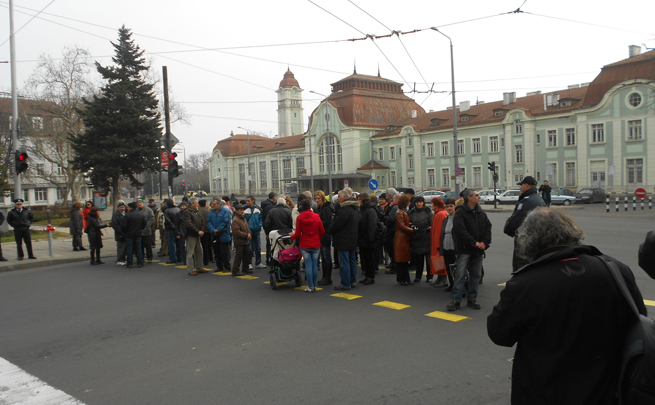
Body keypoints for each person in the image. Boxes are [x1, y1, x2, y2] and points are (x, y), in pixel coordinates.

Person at [487, 207, 647, 404]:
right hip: (607, 391)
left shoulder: (525, 283)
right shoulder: (615, 269)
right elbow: (637, 319)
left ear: (529, 239)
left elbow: (499, 333)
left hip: (544, 392)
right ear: (570, 230)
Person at [447, 189, 491, 311]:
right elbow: (460, 232)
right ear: (469, 198)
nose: (479, 197)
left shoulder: (481, 212)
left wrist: (485, 243)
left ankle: (472, 299)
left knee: (475, 275)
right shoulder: (460, 213)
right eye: (477, 195)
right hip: (465, 250)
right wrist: (474, 243)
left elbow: (488, 227)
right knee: (460, 275)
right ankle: (456, 300)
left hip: (478, 251)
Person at [504, 176, 546, 272]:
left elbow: (515, 220)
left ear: (526, 186)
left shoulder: (527, 201)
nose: (520, 188)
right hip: (537, 238)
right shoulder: (538, 199)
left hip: (525, 239)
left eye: (521, 185)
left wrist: (508, 230)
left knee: (521, 266)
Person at [291, 199, 325, 292]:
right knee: (315, 265)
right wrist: (317, 238)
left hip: (305, 243)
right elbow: (322, 231)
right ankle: (314, 285)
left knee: (308, 265)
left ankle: (310, 286)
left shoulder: (300, 217)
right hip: (315, 243)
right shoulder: (316, 216)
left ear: (301, 207)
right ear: (310, 207)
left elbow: (297, 234)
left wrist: (292, 236)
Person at [329, 190, 360, 291]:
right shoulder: (355, 209)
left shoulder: (344, 210)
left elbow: (337, 225)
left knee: (345, 262)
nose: (338, 198)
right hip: (352, 238)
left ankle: (345, 283)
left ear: (345, 198)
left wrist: (330, 231)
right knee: (352, 261)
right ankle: (352, 281)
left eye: (339, 196)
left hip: (343, 239)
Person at [409, 195, 433, 283]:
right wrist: (412, 227)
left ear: (423, 203)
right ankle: (418, 276)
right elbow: (409, 222)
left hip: (426, 238)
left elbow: (432, 223)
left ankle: (429, 276)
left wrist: (428, 229)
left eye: (420, 202)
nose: (419, 204)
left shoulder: (428, 211)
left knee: (428, 260)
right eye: (417, 202)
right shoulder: (412, 212)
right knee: (418, 260)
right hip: (416, 237)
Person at [182, 197, 208, 276]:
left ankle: (199, 267)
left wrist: (202, 230)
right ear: (192, 204)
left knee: (199, 251)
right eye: (196, 203)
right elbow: (189, 224)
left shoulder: (197, 211)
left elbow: (202, 221)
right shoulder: (187, 212)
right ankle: (190, 269)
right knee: (190, 252)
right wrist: (198, 231)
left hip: (198, 234)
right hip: (191, 234)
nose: (198, 204)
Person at [435, 198, 457, 291]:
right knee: (448, 267)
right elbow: (442, 233)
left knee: (456, 268)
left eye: (451, 206)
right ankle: (451, 284)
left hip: (454, 247)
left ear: (455, 207)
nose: (449, 208)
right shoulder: (446, 219)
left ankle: (458, 286)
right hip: (446, 246)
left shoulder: (457, 218)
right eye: (447, 206)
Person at [358, 193, 378, 285]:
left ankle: (371, 277)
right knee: (365, 258)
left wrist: (370, 238)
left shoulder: (370, 210)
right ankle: (367, 276)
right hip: (363, 238)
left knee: (370, 258)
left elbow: (372, 225)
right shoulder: (363, 209)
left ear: (363, 200)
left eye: (359, 199)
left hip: (368, 239)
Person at [314, 190, 334, 286]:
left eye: (318, 198)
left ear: (322, 198)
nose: (317, 200)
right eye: (316, 198)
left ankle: (327, 277)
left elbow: (327, 222)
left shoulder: (325, 209)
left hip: (325, 236)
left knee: (326, 257)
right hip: (322, 235)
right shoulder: (321, 208)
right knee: (324, 257)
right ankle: (325, 277)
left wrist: (317, 223)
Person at [207, 198, 232, 273]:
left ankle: (227, 267)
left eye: (214, 204)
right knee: (216, 252)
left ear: (219, 204)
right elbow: (208, 222)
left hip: (223, 235)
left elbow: (226, 223)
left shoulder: (226, 211)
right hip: (214, 235)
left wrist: (218, 230)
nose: (212, 205)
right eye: (212, 204)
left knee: (224, 252)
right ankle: (219, 266)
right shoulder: (211, 212)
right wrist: (212, 230)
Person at [394, 194, 414, 286]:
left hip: (403, 237)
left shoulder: (402, 212)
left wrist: (410, 225)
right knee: (401, 260)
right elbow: (402, 226)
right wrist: (412, 229)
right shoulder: (400, 212)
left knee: (404, 260)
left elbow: (404, 224)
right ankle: (402, 278)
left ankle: (405, 278)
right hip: (401, 238)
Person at [429, 197, 449, 287]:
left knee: (440, 261)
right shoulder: (439, 213)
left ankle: (443, 279)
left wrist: (438, 244)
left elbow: (440, 230)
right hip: (437, 241)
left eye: (432, 203)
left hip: (438, 242)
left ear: (436, 205)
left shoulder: (440, 214)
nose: (431, 205)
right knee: (438, 261)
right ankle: (439, 278)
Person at [245, 196, 266, 269]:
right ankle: (249, 263)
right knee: (250, 249)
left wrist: (259, 225)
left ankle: (258, 262)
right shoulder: (245, 209)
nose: (247, 202)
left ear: (253, 201)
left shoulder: (258, 209)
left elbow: (261, 218)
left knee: (258, 248)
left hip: (257, 231)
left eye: (248, 201)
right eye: (247, 201)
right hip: (249, 231)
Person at [123, 202, 146, 268]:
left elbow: (124, 226)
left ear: (130, 207)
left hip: (129, 234)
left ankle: (130, 263)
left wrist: (125, 231)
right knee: (138, 248)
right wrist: (140, 229)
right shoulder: (140, 215)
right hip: (138, 233)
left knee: (129, 249)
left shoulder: (127, 215)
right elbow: (144, 224)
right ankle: (140, 263)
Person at [231, 204, 251, 277]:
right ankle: (235, 270)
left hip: (245, 240)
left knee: (246, 255)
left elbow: (247, 226)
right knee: (239, 256)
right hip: (239, 241)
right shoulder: (235, 220)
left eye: (243, 210)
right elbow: (236, 232)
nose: (242, 211)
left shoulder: (243, 218)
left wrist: (249, 233)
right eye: (240, 210)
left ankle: (245, 269)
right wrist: (246, 235)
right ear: (236, 211)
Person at [137, 199, 155, 263]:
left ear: (143, 203)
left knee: (148, 245)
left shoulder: (148, 210)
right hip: (138, 231)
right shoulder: (136, 210)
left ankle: (149, 257)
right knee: (140, 245)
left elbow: (152, 218)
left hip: (147, 231)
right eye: (138, 203)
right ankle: (141, 257)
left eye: (140, 202)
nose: (139, 204)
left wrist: (147, 225)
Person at [261, 192, 277, 265]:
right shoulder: (269, 206)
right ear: (273, 197)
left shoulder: (266, 205)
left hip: (268, 228)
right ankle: (269, 259)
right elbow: (268, 220)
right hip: (271, 228)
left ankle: (269, 259)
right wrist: (267, 232)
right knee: (270, 245)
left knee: (269, 244)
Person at [111, 201, 127, 265]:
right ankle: (119, 260)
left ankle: (123, 259)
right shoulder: (116, 214)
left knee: (124, 247)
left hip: (124, 233)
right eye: (121, 207)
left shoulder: (124, 213)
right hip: (119, 234)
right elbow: (115, 224)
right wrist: (120, 231)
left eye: (123, 207)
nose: (122, 208)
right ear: (118, 208)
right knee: (120, 247)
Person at [164, 199, 180, 264]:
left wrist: (172, 225)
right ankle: (180, 257)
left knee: (171, 244)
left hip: (171, 229)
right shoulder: (178, 209)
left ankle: (173, 258)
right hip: (178, 229)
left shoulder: (167, 210)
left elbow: (167, 220)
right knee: (179, 243)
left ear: (167, 204)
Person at [198, 199, 213, 266]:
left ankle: (204, 260)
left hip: (202, 230)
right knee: (209, 245)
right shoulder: (209, 211)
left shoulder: (198, 212)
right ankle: (210, 258)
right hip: (209, 230)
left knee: (203, 246)